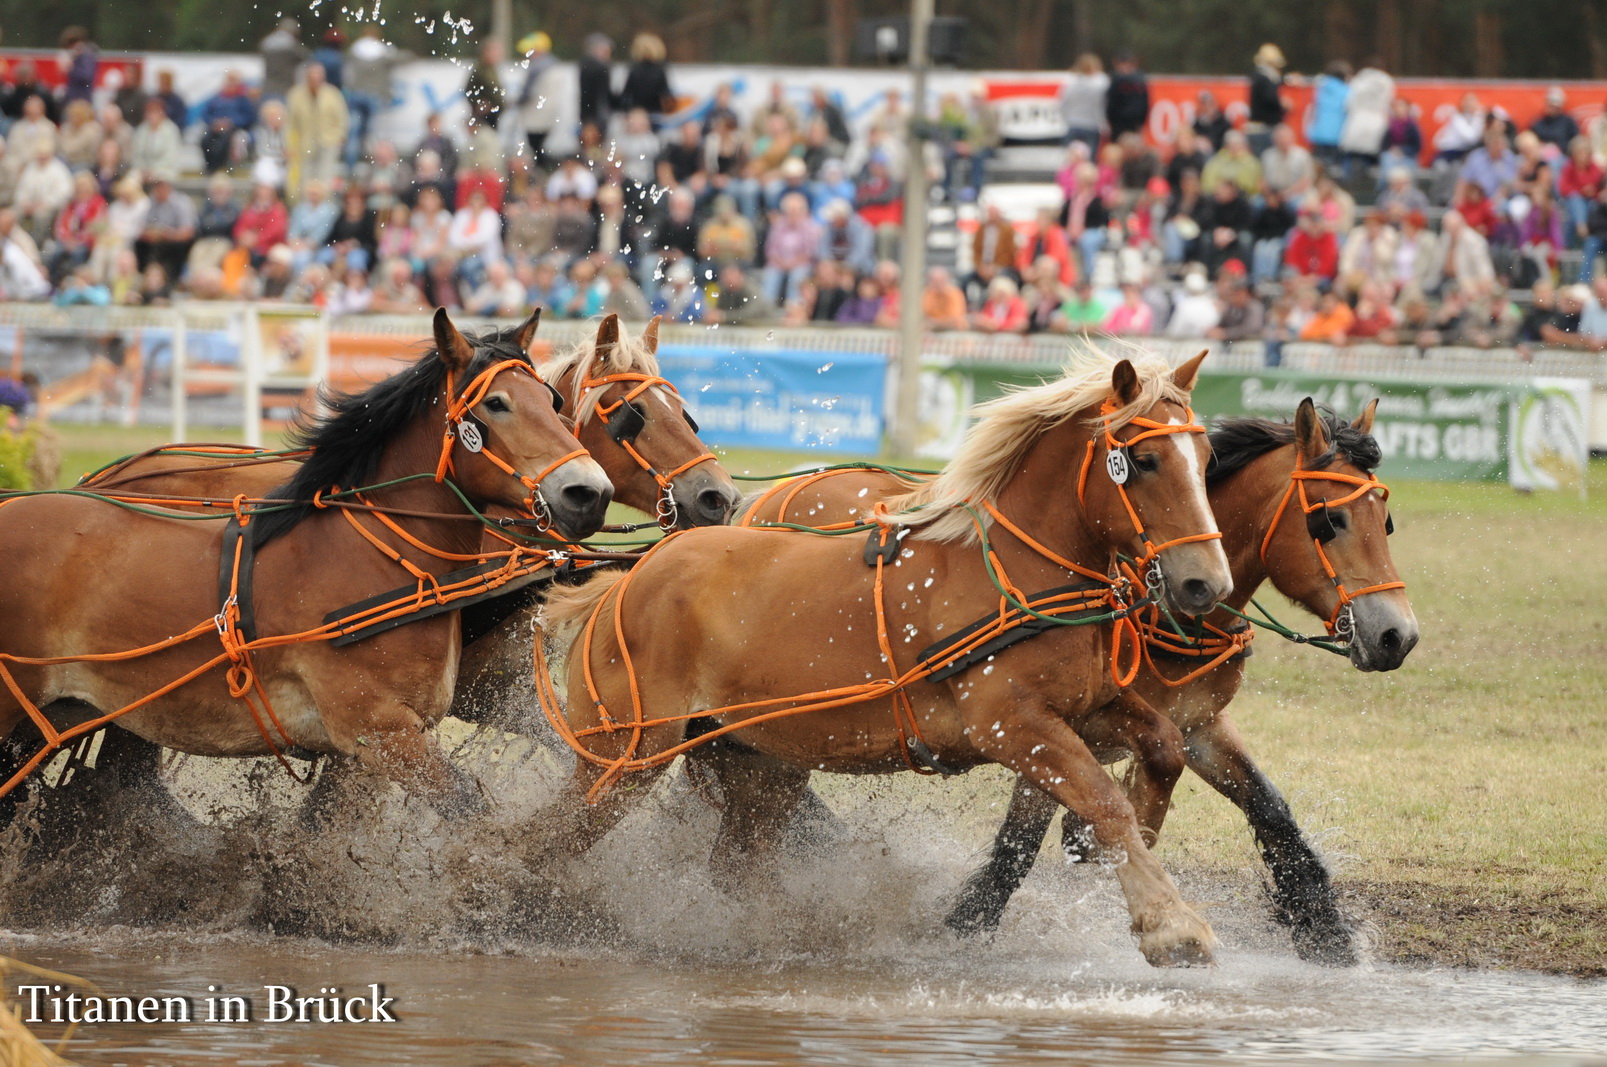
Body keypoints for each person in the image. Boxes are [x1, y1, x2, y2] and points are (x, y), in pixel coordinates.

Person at [345, 26, 407, 170]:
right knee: (372, 133)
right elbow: (400, 59)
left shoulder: (356, 49)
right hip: (373, 95)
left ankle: (351, 166)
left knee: (354, 134)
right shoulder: (381, 51)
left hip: (356, 94)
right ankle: (372, 166)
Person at [287, 62, 348, 198]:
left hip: (328, 141)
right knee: (304, 178)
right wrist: (290, 145)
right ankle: (305, 207)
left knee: (325, 177)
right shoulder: (296, 95)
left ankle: (324, 207)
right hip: (305, 142)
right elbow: (290, 123)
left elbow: (342, 118)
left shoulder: (332, 94)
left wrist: (339, 137)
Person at [134, 173, 196, 282]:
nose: (159, 190)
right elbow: (143, 227)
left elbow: (188, 231)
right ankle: (145, 278)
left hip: (176, 240)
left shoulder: (182, 203)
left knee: (175, 248)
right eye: (157, 187)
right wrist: (151, 233)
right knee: (139, 244)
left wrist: (169, 234)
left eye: (162, 186)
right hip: (158, 240)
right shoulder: (152, 202)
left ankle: (174, 279)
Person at [515, 32, 564, 166]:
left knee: (535, 149)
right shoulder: (555, 66)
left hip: (535, 118)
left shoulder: (536, 69)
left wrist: (516, 101)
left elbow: (528, 94)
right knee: (539, 149)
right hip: (548, 115)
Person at [1339, 60, 1394, 174]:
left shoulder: (1358, 82)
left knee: (1351, 154)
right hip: (1376, 120)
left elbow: (1349, 103)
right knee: (1370, 157)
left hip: (1357, 120)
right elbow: (1388, 102)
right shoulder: (1386, 82)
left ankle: (1349, 179)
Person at [199, 70, 257, 174]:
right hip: (215, 128)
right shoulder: (216, 98)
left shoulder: (243, 100)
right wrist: (214, 122)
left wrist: (231, 122)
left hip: (233, 129)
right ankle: (209, 165)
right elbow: (205, 114)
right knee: (205, 140)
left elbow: (249, 117)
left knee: (224, 142)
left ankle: (219, 166)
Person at [618, 33, 673, 127]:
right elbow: (666, 95)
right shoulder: (660, 70)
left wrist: (627, 111)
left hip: (637, 116)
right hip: (656, 115)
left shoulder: (634, 70)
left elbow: (626, 95)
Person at [1058, 54, 1108, 158]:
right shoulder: (1101, 84)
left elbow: (1063, 104)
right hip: (1092, 125)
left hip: (1073, 124)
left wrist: (1067, 118)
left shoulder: (1070, 83)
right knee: (1090, 161)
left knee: (1071, 160)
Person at [1247, 43, 1290, 156]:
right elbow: (1271, 99)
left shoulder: (1259, 77)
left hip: (1260, 129)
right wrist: (1283, 105)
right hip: (1265, 130)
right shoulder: (1264, 79)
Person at [1306, 60, 1350, 168]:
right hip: (1337, 135)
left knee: (1319, 167)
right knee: (1334, 169)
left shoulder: (1320, 89)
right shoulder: (1347, 91)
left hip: (1318, 133)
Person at [129, 98, 183, 179]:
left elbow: (171, 157)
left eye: (156, 111)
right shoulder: (141, 130)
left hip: (165, 169)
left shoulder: (171, 130)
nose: (152, 115)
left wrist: (153, 170)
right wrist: (143, 169)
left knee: (162, 178)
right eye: (149, 112)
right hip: (143, 171)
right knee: (131, 177)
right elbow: (137, 155)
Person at [1261, 123, 1314, 204]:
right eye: (1279, 138)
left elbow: (1306, 181)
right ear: (1274, 140)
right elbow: (1262, 180)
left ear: (1292, 138)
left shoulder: (1302, 156)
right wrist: (1270, 195)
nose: (1283, 140)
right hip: (1272, 192)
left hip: (1295, 193)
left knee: (1295, 205)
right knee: (1257, 204)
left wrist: (1286, 194)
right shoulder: (1267, 155)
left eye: (1285, 137)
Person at [1105, 51, 1149, 140]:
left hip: (1119, 122)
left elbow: (1111, 103)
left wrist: (1110, 120)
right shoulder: (1141, 80)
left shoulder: (1117, 80)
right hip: (1135, 122)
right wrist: (1142, 122)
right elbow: (1145, 103)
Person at [261, 18, 308, 101]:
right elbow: (306, 56)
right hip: (286, 89)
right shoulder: (292, 46)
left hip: (268, 88)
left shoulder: (266, 44)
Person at [578, 34, 616, 135]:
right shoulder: (599, 68)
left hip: (589, 113)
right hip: (596, 114)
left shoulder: (586, 66)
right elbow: (603, 95)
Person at [1532, 87, 1579, 153]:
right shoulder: (1538, 122)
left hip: (1563, 157)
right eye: (1550, 105)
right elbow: (1530, 140)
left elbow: (1575, 142)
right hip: (1540, 157)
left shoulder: (1568, 123)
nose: (1551, 108)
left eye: (1554, 106)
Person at [60, 26, 99, 107]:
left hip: (81, 101)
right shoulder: (79, 57)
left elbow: (86, 76)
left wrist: (70, 68)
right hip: (76, 99)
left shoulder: (86, 56)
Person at [921, 266, 969, 330]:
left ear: (947, 279)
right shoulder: (927, 294)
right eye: (934, 281)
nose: (938, 284)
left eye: (940, 281)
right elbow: (923, 315)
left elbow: (956, 319)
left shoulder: (955, 294)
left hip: (951, 331)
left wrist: (935, 323)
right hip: (931, 331)